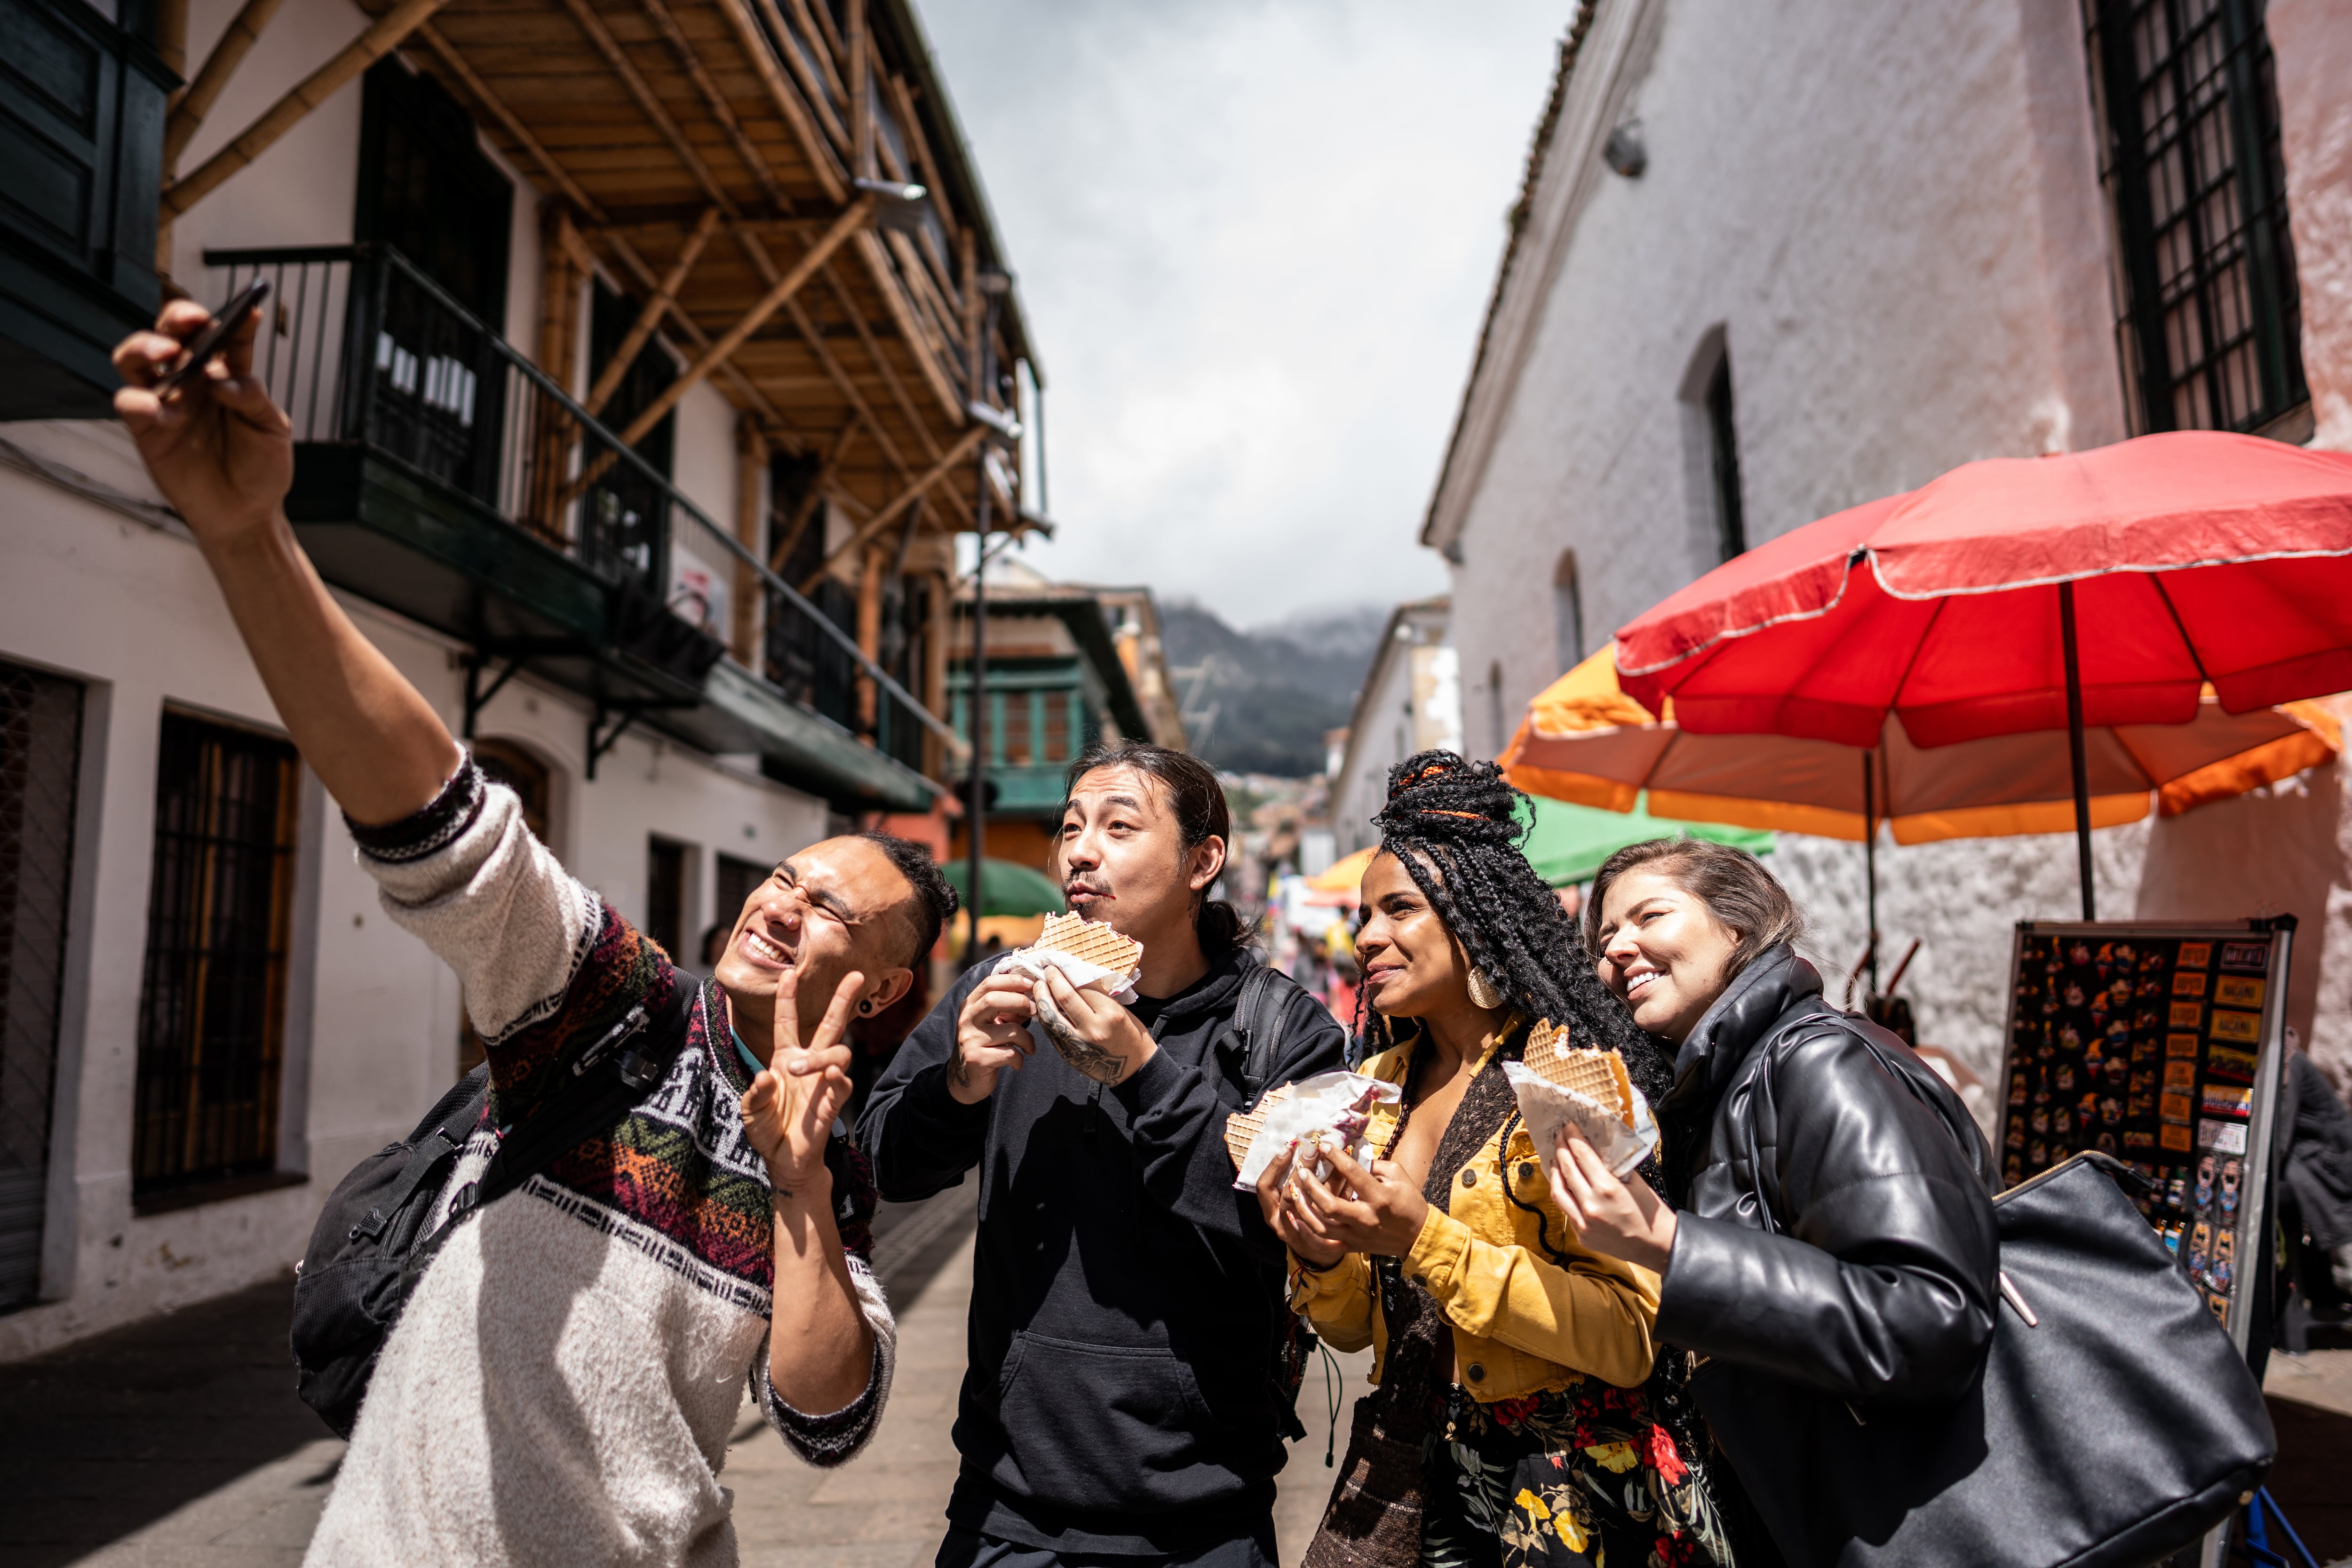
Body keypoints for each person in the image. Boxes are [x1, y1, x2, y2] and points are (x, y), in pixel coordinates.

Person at [114, 300, 949, 1565]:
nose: (783, 901)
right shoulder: (615, 1003)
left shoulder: (833, 1157)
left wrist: (800, 1190)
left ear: (881, 988)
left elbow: (828, 1415)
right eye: (783, 875)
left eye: (830, 906)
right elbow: (451, 825)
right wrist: (250, 537)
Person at [859, 741, 1350, 1568]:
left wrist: (1144, 1072)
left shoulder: (1280, 1028)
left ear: (1203, 861)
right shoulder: (1004, 989)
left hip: (1205, 1515)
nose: (1081, 852)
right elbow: (887, 1165)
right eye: (1071, 827)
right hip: (1005, 1507)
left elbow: (1289, 1229)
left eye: (1119, 827)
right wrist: (957, 1086)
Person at [1258, 752, 1733, 1568]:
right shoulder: (1374, 1090)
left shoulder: (1565, 1077)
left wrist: (1424, 1239)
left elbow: (1631, 1334)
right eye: (1365, 915)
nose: (1365, 937)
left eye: (1399, 908)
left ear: (1474, 917)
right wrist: (1322, 1253)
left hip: (1568, 1492)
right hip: (1416, 1479)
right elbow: (1352, 1330)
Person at [1546, 838, 1998, 1564]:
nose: (1618, 949)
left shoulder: (1817, 1060)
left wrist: (1671, 1243)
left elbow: (1930, 1317)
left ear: (1739, 927)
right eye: (1604, 939)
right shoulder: (1712, 1089)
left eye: (1649, 916)